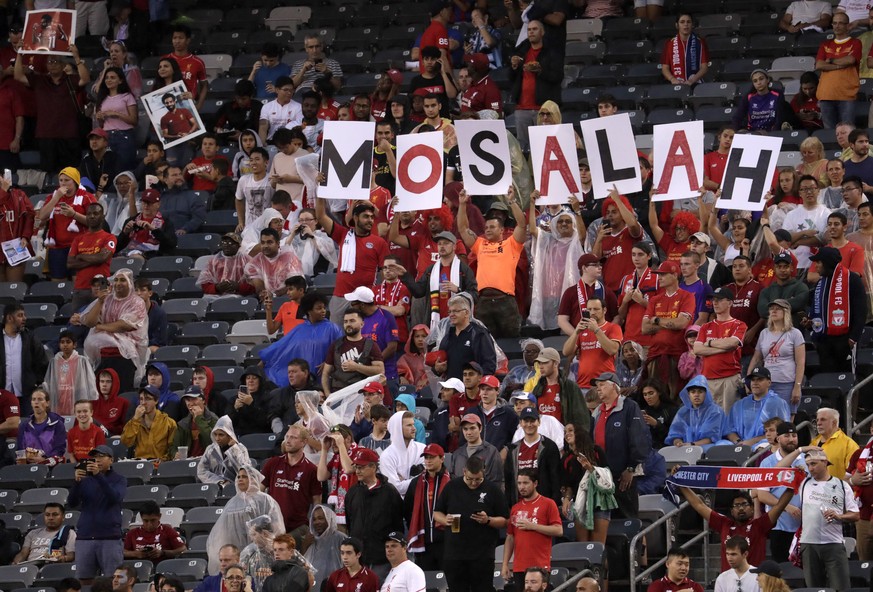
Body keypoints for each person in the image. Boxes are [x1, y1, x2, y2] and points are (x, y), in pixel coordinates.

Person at [457, 187, 527, 337]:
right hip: (483, 302)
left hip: (506, 301)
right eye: (486, 227)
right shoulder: (480, 244)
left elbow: (522, 225)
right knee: (485, 342)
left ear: (502, 229)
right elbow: (463, 229)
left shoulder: (511, 245)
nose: (487, 230)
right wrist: (462, 204)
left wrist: (512, 201)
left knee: (512, 340)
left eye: (492, 227)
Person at [434, 456, 509, 592]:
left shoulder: (493, 490)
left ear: (484, 473)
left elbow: (505, 521)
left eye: (478, 479)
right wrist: (445, 520)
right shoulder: (452, 487)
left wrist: (488, 520)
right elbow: (437, 513)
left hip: (482, 555)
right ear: (464, 471)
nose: (473, 483)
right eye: (470, 479)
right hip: (455, 554)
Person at [678, 484, 792, 571]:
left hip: (754, 581)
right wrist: (682, 485)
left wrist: (792, 485)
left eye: (744, 504)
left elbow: (779, 506)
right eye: (737, 505)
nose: (741, 508)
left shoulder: (760, 525)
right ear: (732, 511)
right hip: (728, 582)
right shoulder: (723, 524)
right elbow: (699, 505)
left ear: (752, 508)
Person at [12, 47, 89, 174]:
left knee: (71, 173)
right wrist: (20, 54)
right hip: (46, 135)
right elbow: (18, 76)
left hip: (69, 134)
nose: (51, 65)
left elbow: (85, 79)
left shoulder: (71, 79)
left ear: (63, 65)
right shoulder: (40, 80)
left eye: (55, 62)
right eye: (49, 62)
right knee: (48, 173)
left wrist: (76, 57)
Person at [590, 372, 651, 518]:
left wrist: (631, 468)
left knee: (627, 516)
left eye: (602, 385)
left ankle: (633, 541)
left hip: (624, 474)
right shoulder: (597, 411)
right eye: (597, 386)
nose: (598, 389)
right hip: (602, 475)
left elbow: (639, 438)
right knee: (604, 518)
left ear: (614, 387)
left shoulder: (630, 407)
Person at [206, 466, 285, 574]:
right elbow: (222, 530)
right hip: (237, 554)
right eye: (238, 477)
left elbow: (277, 527)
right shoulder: (232, 502)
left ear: (253, 478)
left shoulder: (265, 499)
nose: (240, 479)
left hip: (261, 552)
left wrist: (266, 544)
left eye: (244, 476)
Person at [69, 444, 126, 581]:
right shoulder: (85, 480)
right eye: (94, 457)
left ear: (111, 460)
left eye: (101, 456)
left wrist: (98, 476)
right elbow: (72, 503)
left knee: (115, 581)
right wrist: (76, 482)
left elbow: (114, 497)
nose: (97, 460)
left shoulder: (119, 479)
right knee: (84, 580)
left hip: (110, 538)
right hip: (85, 537)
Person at [345, 448, 404, 579]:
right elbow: (350, 522)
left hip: (382, 557)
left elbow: (398, 523)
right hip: (359, 557)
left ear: (373, 467)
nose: (357, 471)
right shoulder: (352, 492)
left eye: (361, 467)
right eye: (356, 467)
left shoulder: (389, 492)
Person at [501, 468, 562, 589]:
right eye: (519, 483)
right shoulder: (515, 508)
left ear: (535, 483)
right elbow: (510, 537)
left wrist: (533, 526)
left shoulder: (548, 503)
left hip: (540, 565)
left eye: (525, 483)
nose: (521, 487)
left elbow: (558, 530)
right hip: (519, 566)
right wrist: (505, 564)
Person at [642, 261, 695, 399]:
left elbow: (681, 323)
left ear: (675, 275)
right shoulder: (654, 300)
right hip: (655, 354)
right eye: (658, 275)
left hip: (676, 355)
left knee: (675, 397)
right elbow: (645, 328)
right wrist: (670, 323)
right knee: (654, 396)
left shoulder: (687, 296)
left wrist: (657, 320)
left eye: (663, 274)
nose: (659, 278)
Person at [807, 246, 866, 371]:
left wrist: (853, 338)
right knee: (827, 378)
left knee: (848, 377)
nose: (815, 265)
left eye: (818, 262)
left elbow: (861, 311)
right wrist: (809, 323)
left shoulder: (852, 280)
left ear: (827, 262)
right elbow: (816, 309)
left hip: (845, 340)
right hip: (824, 342)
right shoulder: (820, 282)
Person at [754, 422, 805, 563]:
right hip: (779, 526)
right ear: (778, 438)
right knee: (782, 570)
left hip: (805, 527)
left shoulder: (807, 460)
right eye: (787, 435)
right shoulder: (767, 463)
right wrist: (787, 507)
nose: (791, 439)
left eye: (794, 435)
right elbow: (763, 495)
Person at [509, 20, 563, 150]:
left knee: (545, 146)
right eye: (529, 29)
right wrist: (514, 67)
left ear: (542, 32)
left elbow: (557, 77)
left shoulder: (552, 52)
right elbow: (511, 78)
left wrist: (540, 71)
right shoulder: (521, 51)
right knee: (523, 148)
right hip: (522, 108)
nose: (531, 32)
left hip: (543, 109)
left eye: (535, 29)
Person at [691, 288, 746, 410]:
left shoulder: (738, 324)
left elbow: (732, 343)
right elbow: (697, 350)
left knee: (728, 418)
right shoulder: (706, 326)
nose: (715, 303)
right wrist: (723, 348)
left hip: (729, 377)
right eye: (713, 300)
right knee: (709, 418)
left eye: (719, 300)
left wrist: (709, 342)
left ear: (730, 303)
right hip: (707, 379)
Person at [505, 407, 562, 506]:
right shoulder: (513, 449)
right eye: (526, 421)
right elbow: (509, 480)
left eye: (532, 421)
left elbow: (555, 478)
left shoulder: (549, 446)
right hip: (519, 504)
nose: (529, 425)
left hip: (543, 504)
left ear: (539, 422)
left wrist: (554, 504)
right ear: (521, 423)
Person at [563, 296, 622, 392]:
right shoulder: (582, 330)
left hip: (604, 384)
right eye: (589, 309)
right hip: (582, 384)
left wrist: (596, 330)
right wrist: (576, 332)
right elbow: (566, 352)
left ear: (604, 310)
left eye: (596, 309)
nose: (592, 312)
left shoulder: (613, 327)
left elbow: (612, 350)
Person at [433, 293, 497, 379]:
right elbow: (440, 366)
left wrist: (476, 384)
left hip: (473, 390)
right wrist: (437, 369)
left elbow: (489, 366)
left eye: (456, 311)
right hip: (452, 389)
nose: (451, 314)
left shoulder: (479, 334)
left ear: (466, 313)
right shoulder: (448, 336)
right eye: (450, 311)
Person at [43, 329, 99, 416]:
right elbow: (49, 383)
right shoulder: (54, 362)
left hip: (77, 397)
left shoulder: (82, 360)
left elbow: (90, 382)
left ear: (75, 344)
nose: (65, 345)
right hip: (59, 399)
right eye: (62, 342)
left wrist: (92, 399)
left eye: (68, 342)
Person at [665, 376, 726, 448]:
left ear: (706, 393)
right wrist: (678, 442)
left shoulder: (715, 411)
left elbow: (711, 438)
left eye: (700, 392)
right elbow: (675, 434)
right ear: (688, 394)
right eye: (693, 392)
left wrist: (692, 445)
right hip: (685, 447)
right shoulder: (683, 411)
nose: (696, 395)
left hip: (707, 448)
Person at [446, 413, 504, 488]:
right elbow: (453, 481)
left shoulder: (491, 452)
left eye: (472, 428)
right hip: (461, 497)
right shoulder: (457, 454)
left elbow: (496, 482)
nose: (469, 433)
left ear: (480, 428)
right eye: (465, 429)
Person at [119, 385, 176, 461]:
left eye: (147, 399)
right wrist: (135, 419)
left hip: (161, 464)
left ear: (156, 401)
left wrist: (162, 460)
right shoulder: (135, 421)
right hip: (139, 464)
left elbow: (173, 449)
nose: (143, 403)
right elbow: (126, 442)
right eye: (141, 399)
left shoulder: (169, 423)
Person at [243, 229, 303, 297]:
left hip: (288, 296)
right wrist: (264, 294)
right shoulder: (255, 262)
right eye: (263, 242)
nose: (265, 246)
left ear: (278, 244)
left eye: (269, 242)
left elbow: (295, 284)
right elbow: (258, 284)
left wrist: (274, 295)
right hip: (267, 299)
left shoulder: (290, 257)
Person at [12, 502, 76, 564]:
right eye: (47, 515)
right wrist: (16, 563)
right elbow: (23, 553)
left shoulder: (68, 533)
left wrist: (63, 558)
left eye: (55, 514)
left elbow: (71, 555)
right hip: (31, 566)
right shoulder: (33, 533)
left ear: (63, 517)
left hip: (52, 565)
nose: (50, 518)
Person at [16, 388, 66, 466]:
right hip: (28, 466)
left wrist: (44, 460)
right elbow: (20, 449)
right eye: (34, 399)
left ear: (47, 403)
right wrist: (24, 458)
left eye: (40, 399)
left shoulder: (57, 424)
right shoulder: (24, 425)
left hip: (51, 466)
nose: (36, 402)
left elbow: (59, 449)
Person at [380, 411, 425, 496]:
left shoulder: (422, 449)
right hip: (397, 505)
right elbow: (395, 488)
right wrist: (420, 478)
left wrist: (404, 482)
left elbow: (429, 481)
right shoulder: (387, 456)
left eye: (413, 424)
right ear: (398, 429)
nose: (414, 428)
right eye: (409, 425)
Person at [196, 232, 255, 298]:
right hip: (216, 294)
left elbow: (255, 284)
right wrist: (217, 287)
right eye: (224, 242)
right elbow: (204, 284)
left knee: (232, 298)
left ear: (238, 246)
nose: (227, 245)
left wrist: (238, 287)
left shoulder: (246, 260)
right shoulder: (213, 261)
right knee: (206, 298)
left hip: (238, 295)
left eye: (230, 243)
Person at [197, 415, 250, 485]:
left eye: (221, 435)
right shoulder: (210, 449)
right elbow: (202, 471)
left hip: (236, 487)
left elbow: (245, 471)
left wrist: (234, 449)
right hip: (214, 486)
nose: (217, 438)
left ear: (229, 435)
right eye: (215, 434)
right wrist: (219, 481)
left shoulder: (241, 449)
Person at [660, 13, 709, 85]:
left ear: (692, 25)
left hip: (696, 83)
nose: (686, 24)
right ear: (677, 25)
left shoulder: (700, 42)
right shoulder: (669, 43)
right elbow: (665, 68)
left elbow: (704, 68)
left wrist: (692, 81)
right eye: (682, 22)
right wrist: (672, 79)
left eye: (688, 22)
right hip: (675, 84)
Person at [169, 386, 217, 460]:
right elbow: (173, 447)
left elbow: (213, 444)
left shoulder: (214, 419)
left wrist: (199, 418)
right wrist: (175, 454)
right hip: (187, 463)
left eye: (194, 399)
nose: (191, 403)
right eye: (188, 400)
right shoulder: (182, 424)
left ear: (203, 400)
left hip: (209, 462)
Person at [811, 407, 859, 479]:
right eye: (817, 420)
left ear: (834, 423)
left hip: (837, 489)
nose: (818, 423)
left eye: (823, 420)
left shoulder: (849, 444)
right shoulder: (813, 442)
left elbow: (853, 474)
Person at [302, 505, 345, 581]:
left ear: (329, 519)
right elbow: (303, 565)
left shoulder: (340, 538)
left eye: (320, 518)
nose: (317, 522)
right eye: (314, 519)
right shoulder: (311, 539)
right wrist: (305, 546)